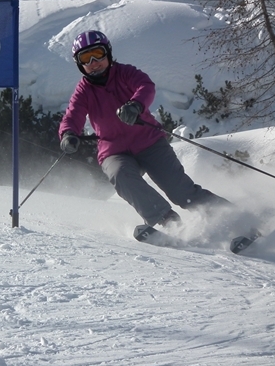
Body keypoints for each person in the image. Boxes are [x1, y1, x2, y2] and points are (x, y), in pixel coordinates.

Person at [59, 30, 231, 237]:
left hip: (149, 142)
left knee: (180, 191)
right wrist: (68, 133)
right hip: (113, 150)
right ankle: (168, 221)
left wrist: (136, 105)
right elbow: (73, 114)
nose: (94, 62)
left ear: (108, 53)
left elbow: (145, 86)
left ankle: (232, 217)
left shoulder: (125, 73)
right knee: (120, 175)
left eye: (98, 54)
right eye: (86, 58)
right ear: (80, 64)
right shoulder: (83, 91)